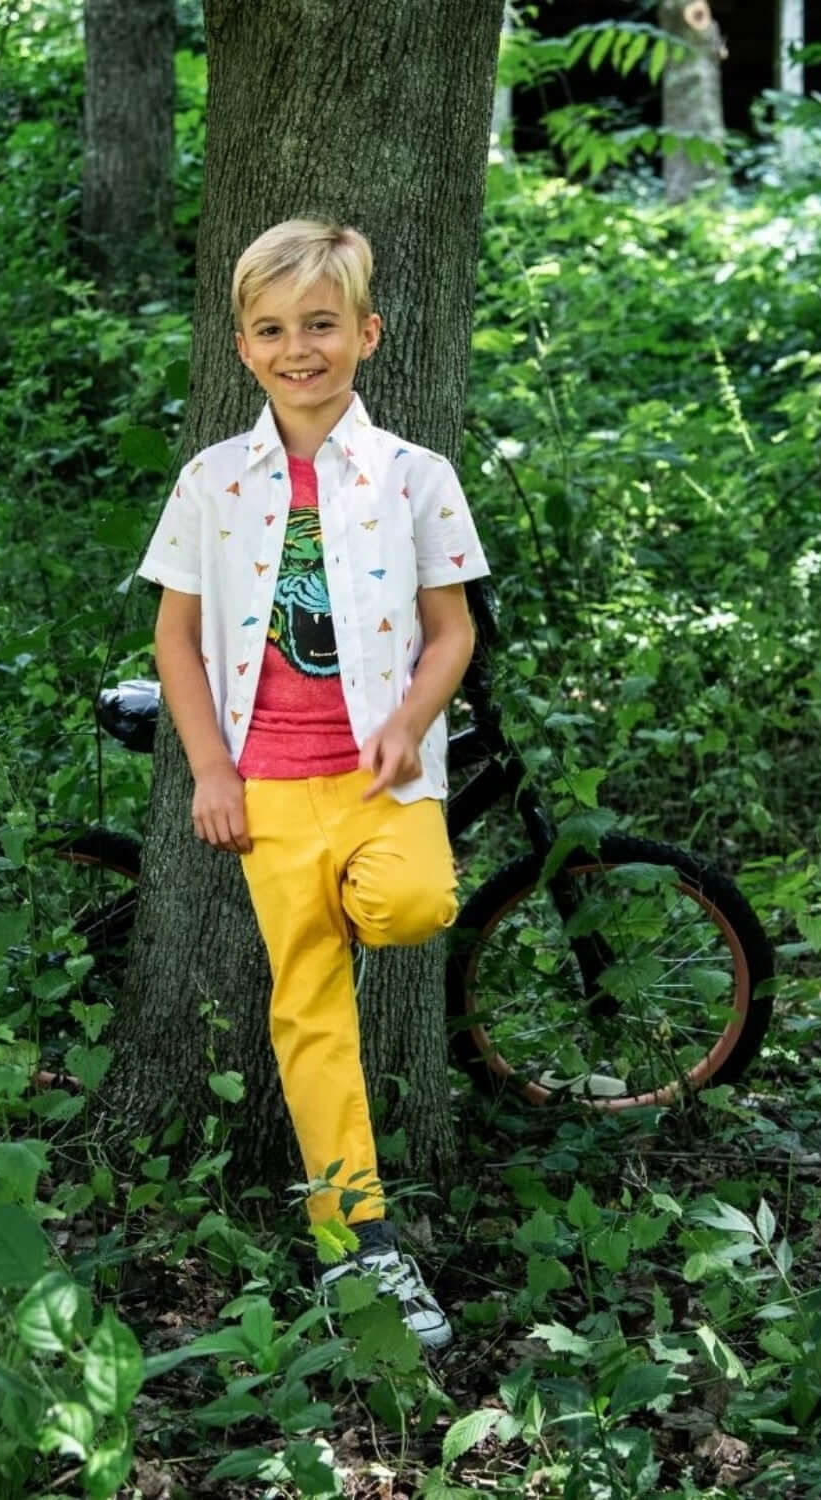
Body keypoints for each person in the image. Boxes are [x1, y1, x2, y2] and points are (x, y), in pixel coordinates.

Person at [138, 218, 489, 1351]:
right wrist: (208, 771)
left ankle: (348, 896)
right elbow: (176, 641)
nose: (301, 350)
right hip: (269, 793)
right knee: (309, 1016)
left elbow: (452, 633)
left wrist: (408, 723)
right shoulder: (214, 481)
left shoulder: (414, 476)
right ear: (243, 346)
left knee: (414, 904)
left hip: (382, 784)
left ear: (367, 334)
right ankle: (360, 1250)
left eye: (322, 326)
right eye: (275, 330)